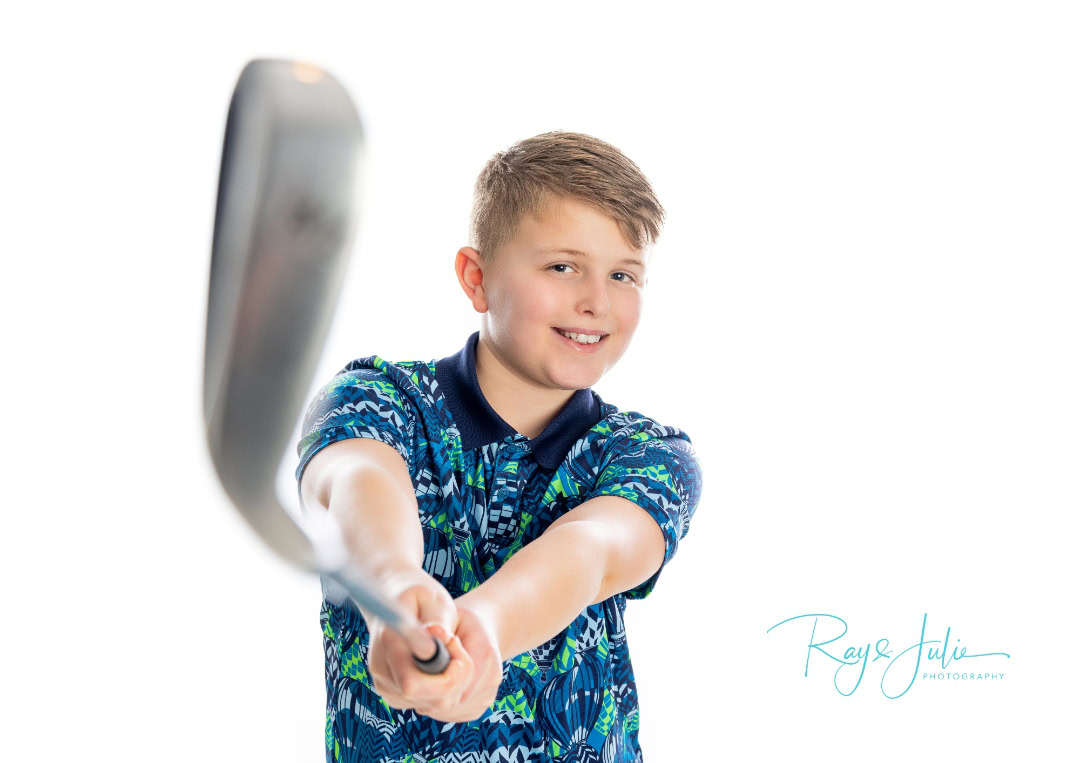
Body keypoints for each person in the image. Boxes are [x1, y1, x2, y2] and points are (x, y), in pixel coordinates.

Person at [295, 131, 704, 762]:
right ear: (477, 277)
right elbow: (357, 482)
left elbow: (588, 552)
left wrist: (484, 626)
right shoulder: (378, 400)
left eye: (624, 274)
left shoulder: (647, 455)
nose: (596, 302)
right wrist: (394, 587)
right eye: (562, 266)